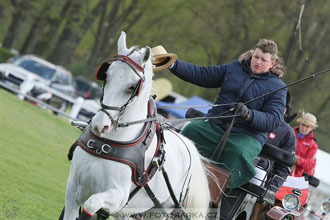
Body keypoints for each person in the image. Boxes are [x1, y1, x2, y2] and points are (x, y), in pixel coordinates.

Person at [152, 39, 287, 188]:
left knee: (237, 152)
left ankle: (216, 195)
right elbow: (201, 74)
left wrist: (249, 114)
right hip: (216, 123)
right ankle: (171, 178)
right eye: (256, 57)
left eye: (263, 60)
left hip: (246, 136)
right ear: (252, 54)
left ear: (272, 63)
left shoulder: (279, 88)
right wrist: (173, 64)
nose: (258, 62)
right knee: (191, 129)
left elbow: (273, 120)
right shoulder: (234, 68)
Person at [249, 91, 297, 220]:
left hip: (259, 175)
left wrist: (269, 190)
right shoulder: (253, 117)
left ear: (285, 109)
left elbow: (283, 168)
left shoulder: (288, 133)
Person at [291, 112, 318, 177]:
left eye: (307, 126)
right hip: (279, 168)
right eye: (303, 125)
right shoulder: (289, 132)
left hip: (295, 176)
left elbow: (310, 164)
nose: (304, 128)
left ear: (312, 128)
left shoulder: (313, 145)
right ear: (299, 123)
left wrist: (298, 160)